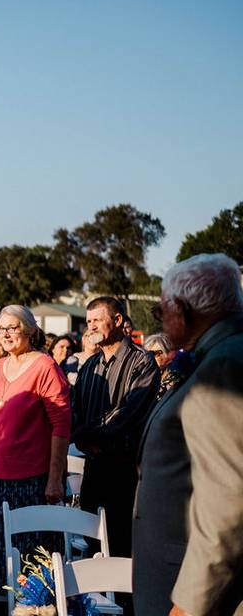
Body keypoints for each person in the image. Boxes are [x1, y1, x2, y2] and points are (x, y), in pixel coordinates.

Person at [133, 253, 243, 616]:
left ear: (182, 310)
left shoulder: (223, 365)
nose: (161, 320)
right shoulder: (215, 354)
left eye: (161, 310)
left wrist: (189, 603)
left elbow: (228, 502)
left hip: (190, 585)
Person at [0, 304, 70, 594]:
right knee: (0, 557)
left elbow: (61, 426)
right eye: (1, 328)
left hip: (31, 479)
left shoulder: (45, 366)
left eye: (13, 327)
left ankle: (35, 608)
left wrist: (54, 478)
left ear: (30, 330)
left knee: (31, 560)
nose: (6, 334)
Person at [72, 296, 159, 558]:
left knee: (121, 548)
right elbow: (75, 411)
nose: (91, 327)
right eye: (88, 322)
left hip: (125, 471)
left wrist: (89, 433)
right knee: (92, 545)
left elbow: (126, 414)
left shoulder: (142, 362)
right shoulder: (89, 366)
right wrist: (81, 437)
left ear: (118, 320)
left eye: (97, 320)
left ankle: (122, 601)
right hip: (93, 469)